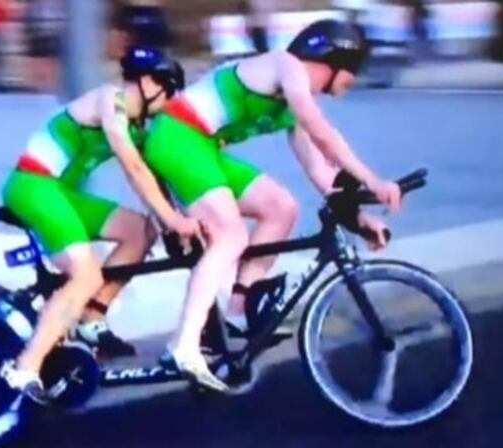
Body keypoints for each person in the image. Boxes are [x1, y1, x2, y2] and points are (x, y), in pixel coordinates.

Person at [142, 19, 402, 392]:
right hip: (177, 138)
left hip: (203, 149)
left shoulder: (293, 106)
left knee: (281, 207)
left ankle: (238, 311)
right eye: (353, 71)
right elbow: (323, 132)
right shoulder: (286, 66)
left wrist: (359, 219)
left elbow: (321, 172)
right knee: (230, 237)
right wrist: (373, 180)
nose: (353, 81)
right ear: (333, 58)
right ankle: (183, 344)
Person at [0, 46, 195, 404]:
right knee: (85, 275)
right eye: (169, 92)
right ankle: (24, 366)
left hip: (60, 193)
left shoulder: (137, 126)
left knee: (139, 231)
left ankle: (92, 316)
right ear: (151, 83)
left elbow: (156, 177)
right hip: (33, 185)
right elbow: (133, 169)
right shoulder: (112, 101)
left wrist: (174, 223)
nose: (170, 102)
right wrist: (172, 219)